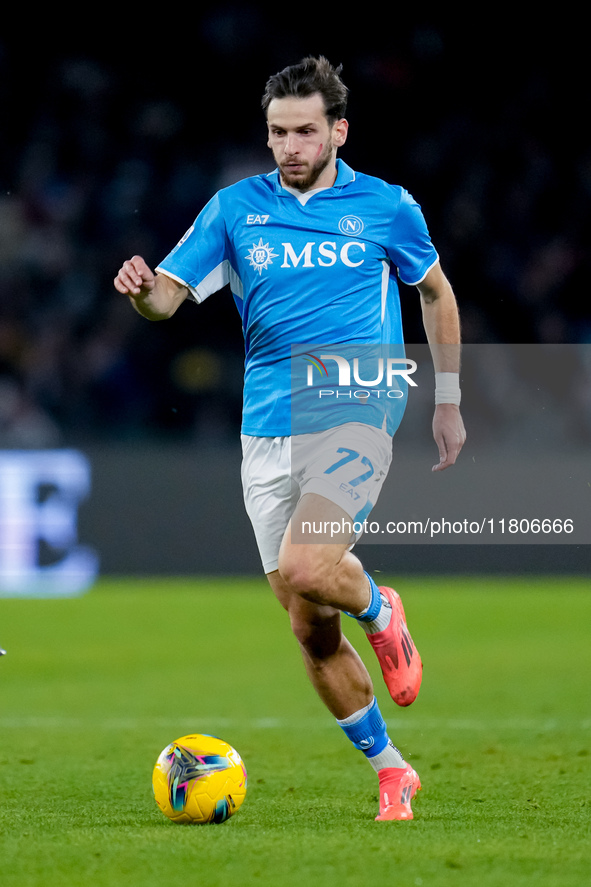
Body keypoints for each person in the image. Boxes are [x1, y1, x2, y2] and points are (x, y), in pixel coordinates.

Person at [114, 56, 466, 821]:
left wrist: (449, 398)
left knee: (310, 563)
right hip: (266, 426)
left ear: (337, 130)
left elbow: (435, 291)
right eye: (277, 132)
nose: (289, 146)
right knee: (307, 625)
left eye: (305, 131)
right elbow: (168, 299)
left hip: (357, 406)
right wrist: (145, 290)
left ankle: (379, 607)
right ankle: (390, 768)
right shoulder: (235, 209)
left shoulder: (386, 207)